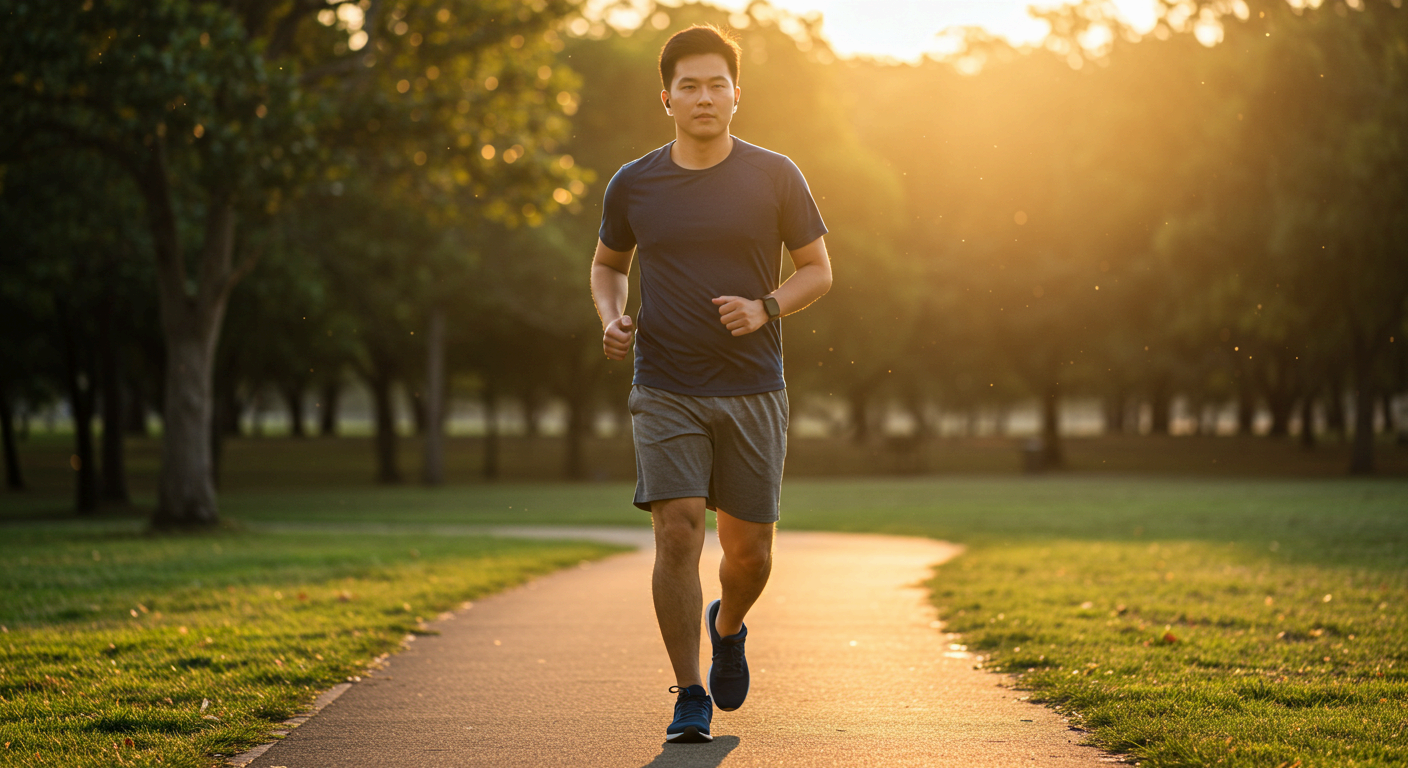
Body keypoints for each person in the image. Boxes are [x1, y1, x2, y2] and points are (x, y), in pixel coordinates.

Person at [589, 24, 833, 744]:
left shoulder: (775, 175)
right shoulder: (635, 182)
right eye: (688, 85)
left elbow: (819, 270)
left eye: (715, 84)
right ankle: (689, 691)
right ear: (666, 98)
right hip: (665, 384)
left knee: (749, 552)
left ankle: (727, 626)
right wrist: (611, 315)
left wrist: (767, 307)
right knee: (677, 533)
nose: (703, 97)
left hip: (755, 386)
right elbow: (608, 264)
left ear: (736, 95)